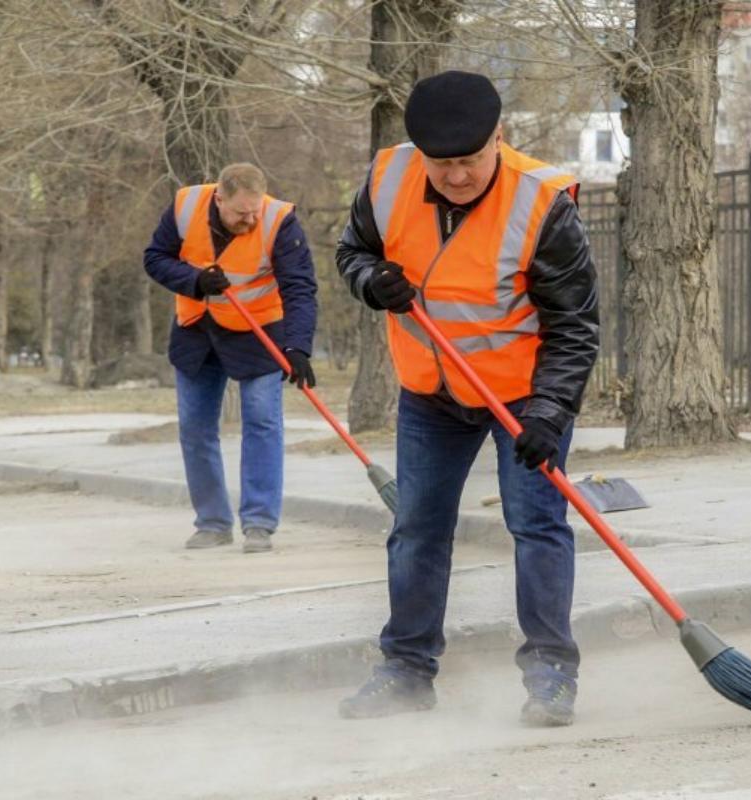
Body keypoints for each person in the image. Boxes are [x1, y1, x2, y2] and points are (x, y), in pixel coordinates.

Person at [334, 71, 599, 725]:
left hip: (522, 399)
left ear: (499, 139)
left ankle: (551, 676)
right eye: (442, 164)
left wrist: (550, 412)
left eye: (469, 161)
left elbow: (575, 326)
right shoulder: (389, 178)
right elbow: (352, 251)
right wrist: (373, 280)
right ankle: (405, 671)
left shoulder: (543, 203)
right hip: (432, 393)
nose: (455, 176)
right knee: (416, 530)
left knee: (537, 526)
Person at [144, 163, 317, 554]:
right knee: (195, 427)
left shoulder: (279, 221)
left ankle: (258, 523)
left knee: (262, 421)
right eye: (242, 212)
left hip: (258, 333)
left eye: (255, 210)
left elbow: (300, 287)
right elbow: (155, 257)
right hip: (197, 331)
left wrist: (298, 346)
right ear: (219, 198)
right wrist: (195, 281)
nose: (251, 219)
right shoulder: (185, 206)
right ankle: (212, 522)